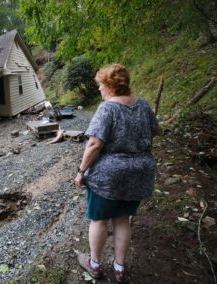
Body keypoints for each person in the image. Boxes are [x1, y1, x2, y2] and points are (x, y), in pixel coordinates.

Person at [74, 64, 162, 283]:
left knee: (99, 219)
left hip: (109, 177)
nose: (99, 90)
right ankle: (120, 268)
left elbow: (94, 143)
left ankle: (94, 265)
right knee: (123, 219)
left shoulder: (107, 108)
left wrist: (80, 171)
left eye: (100, 85)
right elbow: (158, 129)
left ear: (109, 86)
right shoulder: (142, 104)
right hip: (140, 173)